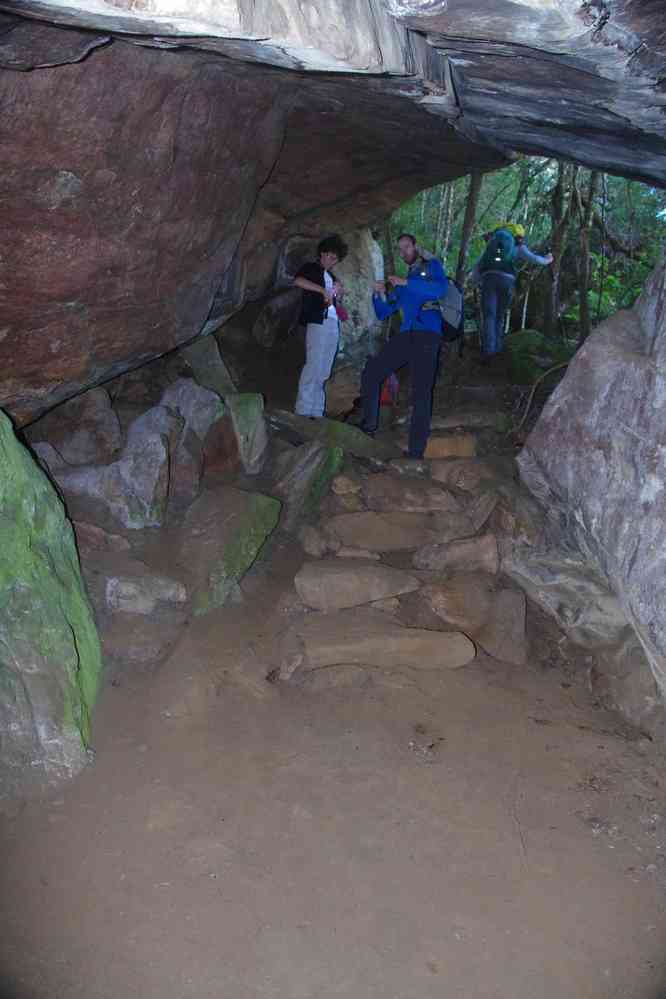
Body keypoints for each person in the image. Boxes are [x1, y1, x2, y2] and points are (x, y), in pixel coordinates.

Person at [360, 233, 448, 459]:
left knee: (421, 391)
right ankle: (367, 428)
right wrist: (378, 293)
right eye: (400, 249)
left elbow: (439, 290)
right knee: (372, 372)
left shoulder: (432, 266)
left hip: (428, 335)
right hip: (405, 335)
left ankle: (416, 452)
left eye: (406, 247)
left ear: (416, 246)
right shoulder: (403, 282)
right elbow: (384, 312)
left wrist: (406, 282)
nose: (403, 253)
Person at [470, 222, 552, 359]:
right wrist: (548, 259)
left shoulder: (491, 245)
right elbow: (534, 259)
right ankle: (498, 348)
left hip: (489, 279)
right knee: (500, 316)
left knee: (489, 316)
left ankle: (488, 351)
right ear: (517, 235)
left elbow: (477, 267)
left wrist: (477, 282)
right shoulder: (517, 245)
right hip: (507, 280)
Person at [292, 235, 348, 419]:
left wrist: (337, 294)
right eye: (331, 257)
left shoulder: (331, 276)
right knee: (314, 363)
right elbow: (298, 281)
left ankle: (317, 410)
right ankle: (303, 409)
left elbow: (334, 302)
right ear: (322, 254)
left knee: (324, 368)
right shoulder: (311, 268)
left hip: (332, 322)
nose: (332, 262)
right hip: (317, 321)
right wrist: (322, 290)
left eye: (336, 260)